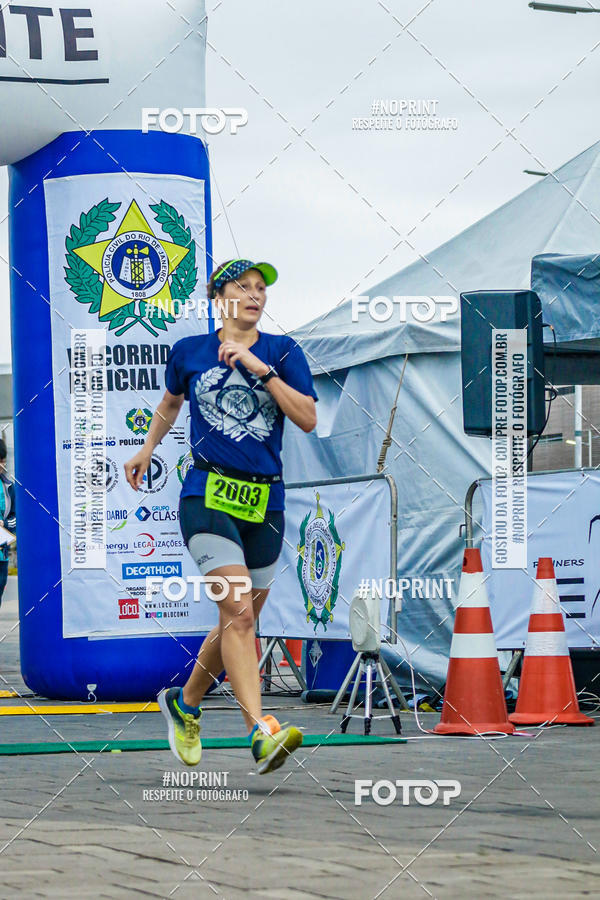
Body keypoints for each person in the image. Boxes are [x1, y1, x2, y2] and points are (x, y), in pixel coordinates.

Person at [124, 259, 318, 773]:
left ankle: (185, 703)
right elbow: (170, 403)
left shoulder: (283, 351)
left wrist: (261, 370)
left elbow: (307, 417)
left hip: (266, 502)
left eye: (261, 289)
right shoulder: (189, 351)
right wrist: (147, 447)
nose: (255, 295)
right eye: (243, 287)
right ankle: (260, 730)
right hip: (207, 495)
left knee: (237, 619)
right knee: (240, 614)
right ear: (219, 297)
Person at [0, 437, 16, 607]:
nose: (1, 465)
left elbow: (14, 516)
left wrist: (5, 524)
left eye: (2, 460)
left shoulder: (8, 486)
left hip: (1, 553)